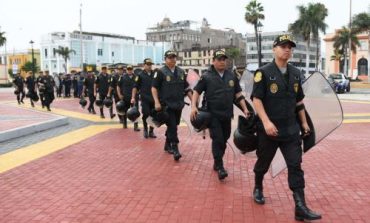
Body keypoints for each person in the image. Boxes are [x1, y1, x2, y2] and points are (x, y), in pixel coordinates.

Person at [251, 34, 321, 221]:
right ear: (274, 49)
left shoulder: (296, 73)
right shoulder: (263, 72)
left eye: (290, 46)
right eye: (283, 46)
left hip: (291, 129)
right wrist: (266, 122)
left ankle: (300, 206)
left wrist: (304, 123)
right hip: (269, 130)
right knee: (263, 163)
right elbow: (256, 99)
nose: (287, 49)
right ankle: (258, 185)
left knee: (295, 165)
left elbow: (299, 102)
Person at [191, 50, 249, 180]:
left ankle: (217, 161)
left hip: (227, 114)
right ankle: (220, 165)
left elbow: (238, 95)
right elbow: (196, 91)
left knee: (224, 138)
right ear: (213, 61)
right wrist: (194, 106)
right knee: (218, 139)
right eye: (219, 59)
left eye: (224, 59)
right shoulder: (206, 76)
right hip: (213, 115)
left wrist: (245, 109)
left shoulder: (231, 76)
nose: (222, 61)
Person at [152, 50, 193, 161]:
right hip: (167, 105)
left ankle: (167, 144)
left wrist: (193, 101)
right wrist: (156, 102)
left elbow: (187, 88)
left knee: (173, 126)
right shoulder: (160, 72)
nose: (172, 59)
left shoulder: (181, 72)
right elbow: (154, 88)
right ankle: (175, 149)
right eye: (170, 57)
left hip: (178, 105)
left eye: (174, 57)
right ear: (165, 59)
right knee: (173, 126)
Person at [132, 58, 157, 138]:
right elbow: (135, 87)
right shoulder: (140, 75)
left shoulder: (155, 74)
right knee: (146, 114)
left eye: (150, 64)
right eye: (148, 64)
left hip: (154, 99)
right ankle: (145, 130)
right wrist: (133, 97)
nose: (149, 66)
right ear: (144, 65)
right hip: (145, 99)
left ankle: (151, 131)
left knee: (153, 115)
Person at [116, 65, 140, 131]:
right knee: (125, 111)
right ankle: (125, 124)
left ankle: (136, 126)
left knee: (135, 112)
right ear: (126, 70)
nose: (129, 70)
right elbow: (118, 86)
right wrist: (119, 94)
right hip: (125, 97)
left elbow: (140, 86)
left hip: (134, 97)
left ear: (133, 70)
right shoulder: (122, 77)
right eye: (128, 69)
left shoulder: (136, 77)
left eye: (131, 69)